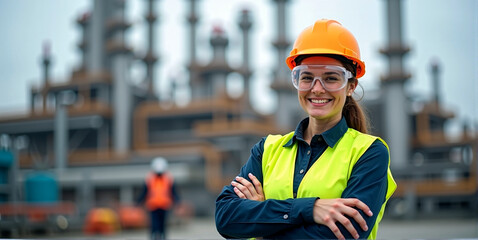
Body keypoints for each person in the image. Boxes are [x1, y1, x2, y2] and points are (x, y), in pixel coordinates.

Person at [215, 19, 396, 240]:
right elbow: (225, 217)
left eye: (331, 78)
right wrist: (310, 209)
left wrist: (262, 221)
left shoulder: (369, 153)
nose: (317, 89)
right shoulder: (268, 149)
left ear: (351, 86)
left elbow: (346, 234)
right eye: (307, 77)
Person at [137, 157, 179, 240]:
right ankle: (153, 237)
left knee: (163, 225)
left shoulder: (168, 179)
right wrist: (138, 202)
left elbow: (173, 192)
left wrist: (177, 201)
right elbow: (145, 192)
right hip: (153, 206)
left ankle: (163, 237)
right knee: (154, 225)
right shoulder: (150, 179)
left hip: (164, 206)